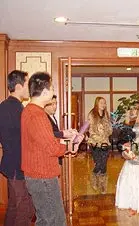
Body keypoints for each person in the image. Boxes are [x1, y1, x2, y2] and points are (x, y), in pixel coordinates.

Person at [21, 72, 84, 226]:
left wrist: (66, 139)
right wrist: (72, 144)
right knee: (55, 220)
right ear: (44, 92)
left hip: (37, 175)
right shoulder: (37, 115)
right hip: (43, 176)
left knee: (45, 219)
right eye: (52, 87)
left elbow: (44, 141)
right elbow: (52, 148)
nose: (54, 91)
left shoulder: (30, 111)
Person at [0, 70, 34, 226]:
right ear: (19, 86)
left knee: (14, 207)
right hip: (17, 166)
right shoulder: (14, 108)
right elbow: (30, 134)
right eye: (28, 83)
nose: (30, 88)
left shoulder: (8, 106)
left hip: (12, 164)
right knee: (24, 210)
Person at [87, 97, 113, 194]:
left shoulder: (106, 114)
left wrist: (109, 131)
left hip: (105, 142)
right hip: (95, 143)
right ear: (97, 103)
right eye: (102, 102)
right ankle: (94, 178)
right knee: (98, 163)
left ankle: (103, 185)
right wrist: (100, 139)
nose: (104, 104)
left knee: (104, 164)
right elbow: (91, 131)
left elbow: (109, 127)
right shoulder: (92, 114)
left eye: (105, 103)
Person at [44, 95, 77, 165]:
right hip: (50, 159)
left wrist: (68, 133)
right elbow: (48, 135)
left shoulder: (50, 117)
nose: (55, 106)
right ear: (45, 105)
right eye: (52, 104)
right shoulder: (43, 117)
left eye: (56, 103)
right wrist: (63, 134)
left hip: (56, 154)